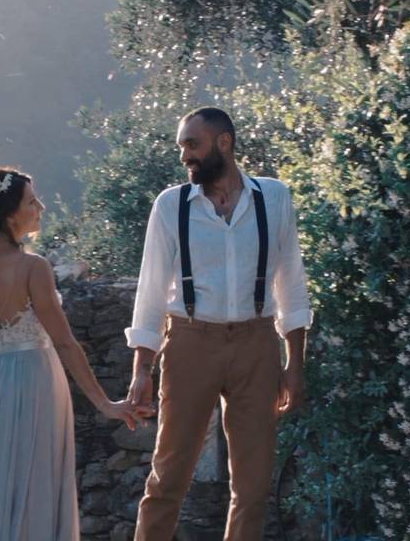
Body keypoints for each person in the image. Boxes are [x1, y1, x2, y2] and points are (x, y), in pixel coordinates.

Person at [0, 166, 149, 541]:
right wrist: (105, 403)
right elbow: (65, 342)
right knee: (32, 483)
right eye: (31, 201)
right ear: (10, 215)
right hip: (33, 380)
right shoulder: (33, 267)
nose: (41, 206)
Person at [126, 107, 311, 541]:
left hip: (256, 344)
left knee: (253, 484)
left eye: (192, 144)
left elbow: (292, 283)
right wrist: (141, 369)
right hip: (191, 342)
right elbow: (151, 289)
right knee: (169, 475)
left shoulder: (274, 197)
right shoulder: (171, 205)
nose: (184, 156)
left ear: (223, 143)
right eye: (181, 147)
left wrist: (295, 363)